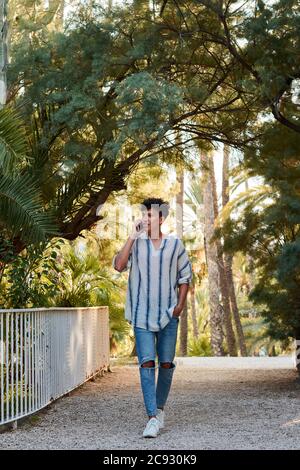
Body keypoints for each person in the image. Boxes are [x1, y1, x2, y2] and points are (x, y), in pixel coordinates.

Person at [112, 197, 192, 438]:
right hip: (142, 315)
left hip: (168, 315)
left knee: (166, 364)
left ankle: (159, 408)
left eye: (151, 215)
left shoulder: (174, 244)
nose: (146, 219)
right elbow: (118, 265)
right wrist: (131, 237)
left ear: (161, 218)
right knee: (147, 363)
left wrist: (179, 306)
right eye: (144, 215)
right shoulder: (136, 244)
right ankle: (152, 418)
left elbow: (185, 277)